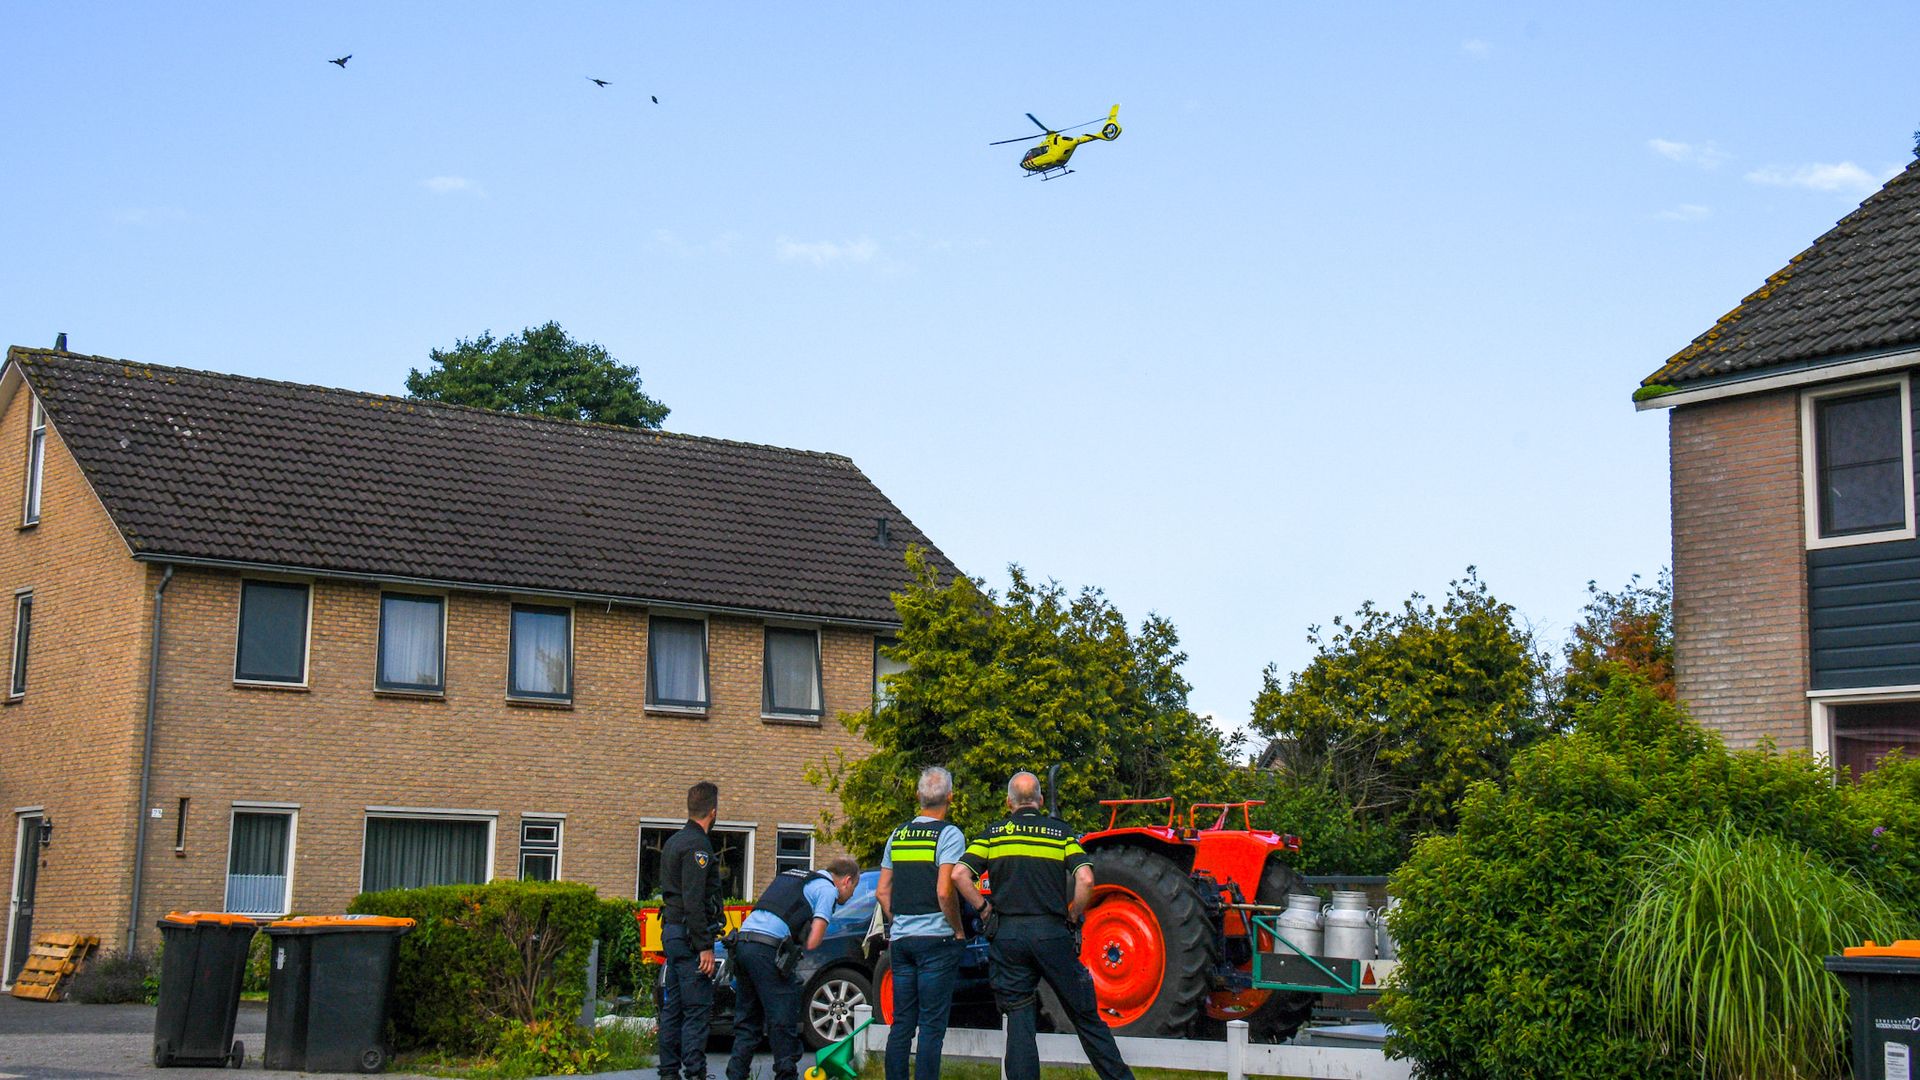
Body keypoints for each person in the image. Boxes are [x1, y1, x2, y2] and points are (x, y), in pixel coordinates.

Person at [953, 772, 1133, 1080]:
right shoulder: (1061, 834)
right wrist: (1074, 913)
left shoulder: (993, 835)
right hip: (1052, 934)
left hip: (1007, 936)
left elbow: (959, 875)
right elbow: (1086, 878)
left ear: (1009, 802)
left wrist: (984, 910)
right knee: (1086, 1018)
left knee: (1020, 1024)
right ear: (1039, 801)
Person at [726, 855, 862, 1080]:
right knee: (784, 1016)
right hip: (767, 949)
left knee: (748, 1020)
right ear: (847, 880)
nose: (852, 894)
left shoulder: (795, 877)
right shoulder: (828, 890)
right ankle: (786, 1074)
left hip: (742, 945)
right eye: (854, 887)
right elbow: (814, 939)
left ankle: (736, 1074)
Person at [877, 767, 967, 1080]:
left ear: (918, 797)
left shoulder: (898, 834)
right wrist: (957, 929)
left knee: (902, 1023)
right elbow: (945, 891)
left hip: (902, 941)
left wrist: (898, 920)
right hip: (936, 942)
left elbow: (882, 890)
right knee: (931, 1026)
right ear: (950, 798)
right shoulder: (949, 834)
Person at [658, 781, 724, 1080]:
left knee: (673, 1008)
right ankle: (695, 1073)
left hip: (671, 932)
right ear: (713, 811)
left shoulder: (673, 842)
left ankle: (669, 1072)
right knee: (697, 1009)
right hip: (689, 936)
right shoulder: (698, 846)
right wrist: (705, 946)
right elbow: (694, 899)